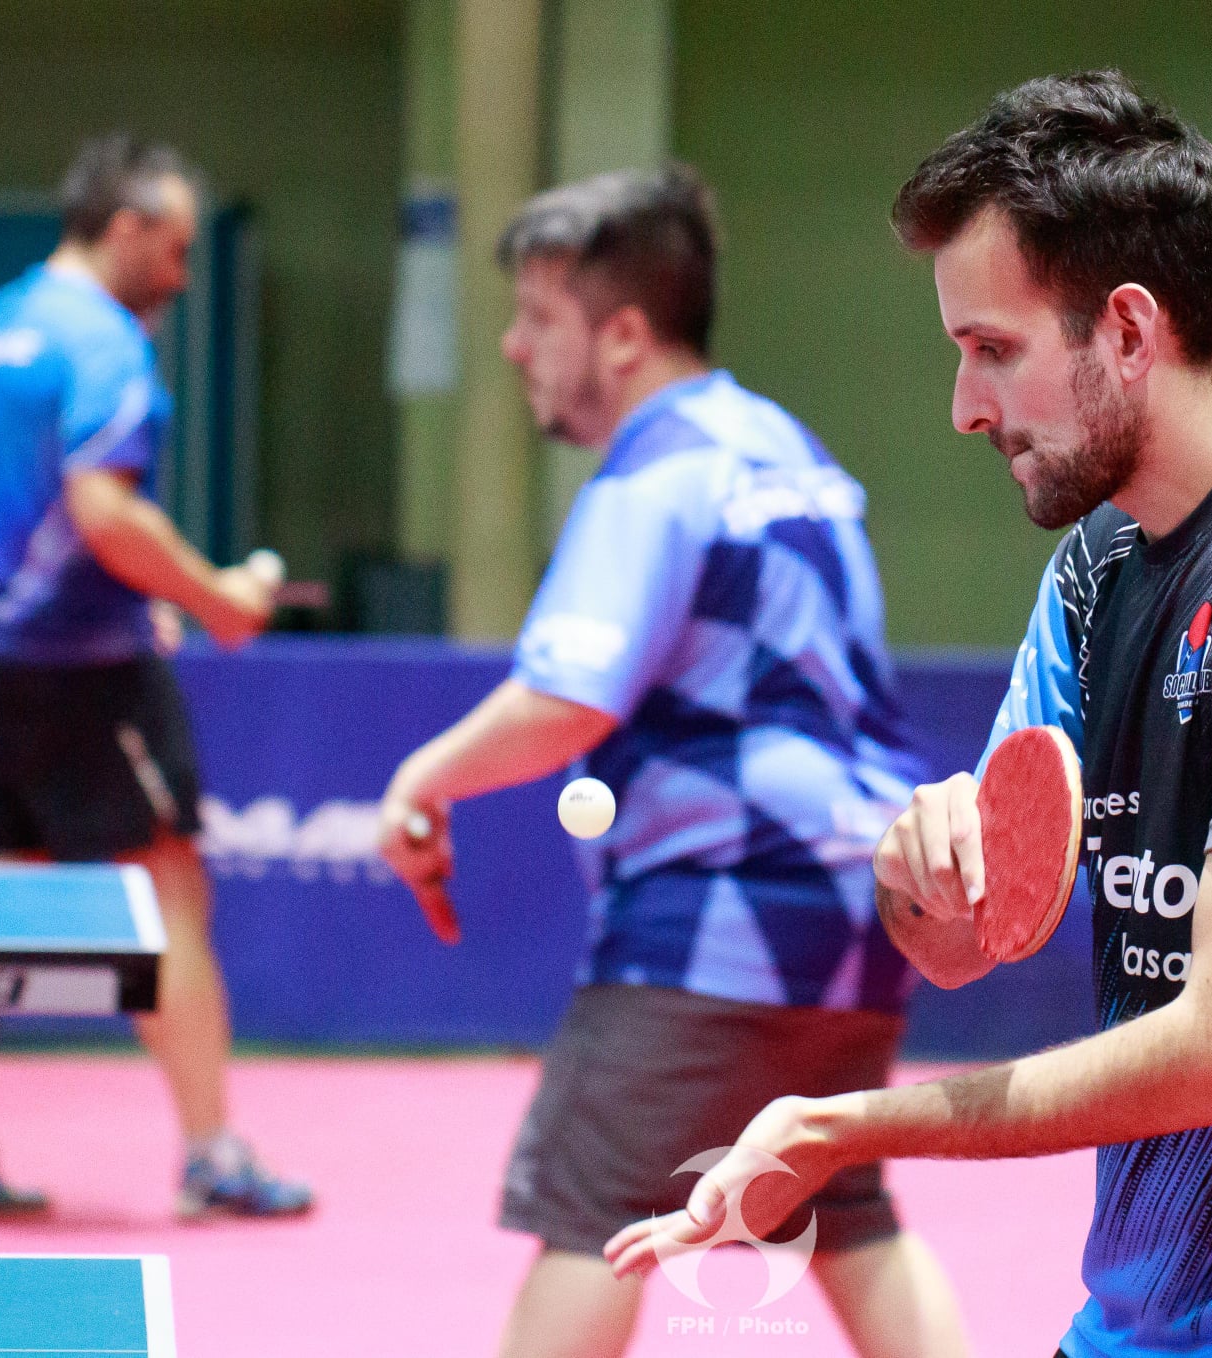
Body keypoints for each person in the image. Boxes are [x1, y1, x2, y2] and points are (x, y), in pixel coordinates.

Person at [607, 73, 1212, 1358]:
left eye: (992, 350)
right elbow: (965, 938)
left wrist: (845, 1125)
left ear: (1126, 328)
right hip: (1155, 1305)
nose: (965, 409)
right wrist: (915, 875)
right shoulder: (1099, 573)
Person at [376, 166, 969, 1358]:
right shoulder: (788, 447)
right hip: (862, 908)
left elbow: (564, 697)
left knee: (593, 1209)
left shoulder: (656, 472)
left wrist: (419, 779)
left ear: (626, 334)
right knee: (843, 1204)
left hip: (717, 919)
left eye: (541, 319)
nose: (512, 346)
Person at [0, 134, 312, 1220]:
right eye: (175, 249)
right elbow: (106, 510)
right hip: (91, 678)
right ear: (125, 227)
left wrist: (49, 597)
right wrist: (211, 598)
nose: (181, 276)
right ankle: (213, 1152)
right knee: (169, 896)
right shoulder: (106, 346)